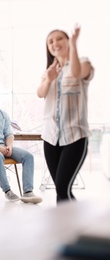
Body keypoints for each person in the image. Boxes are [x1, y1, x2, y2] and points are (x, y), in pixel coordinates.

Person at [37, 25, 94, 203]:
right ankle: (70, 226)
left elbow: (77, 73)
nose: (55, 43)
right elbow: (40, 93)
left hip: (75, 136)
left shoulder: (83, 63)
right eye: (50, 41)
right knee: (62, 191)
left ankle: (71, 228)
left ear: (68, 41)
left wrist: (75, 45)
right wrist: (49, 78)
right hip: (50, 137)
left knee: (62, 189)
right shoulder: (49, 72)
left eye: (59, 38)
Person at [0, 86, 42, 203]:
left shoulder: (4, 114)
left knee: (28, 156)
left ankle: (28, 192)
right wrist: (0, 148)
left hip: (3, 146)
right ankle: (7, 190)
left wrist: (9, 146)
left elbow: (9, 134)